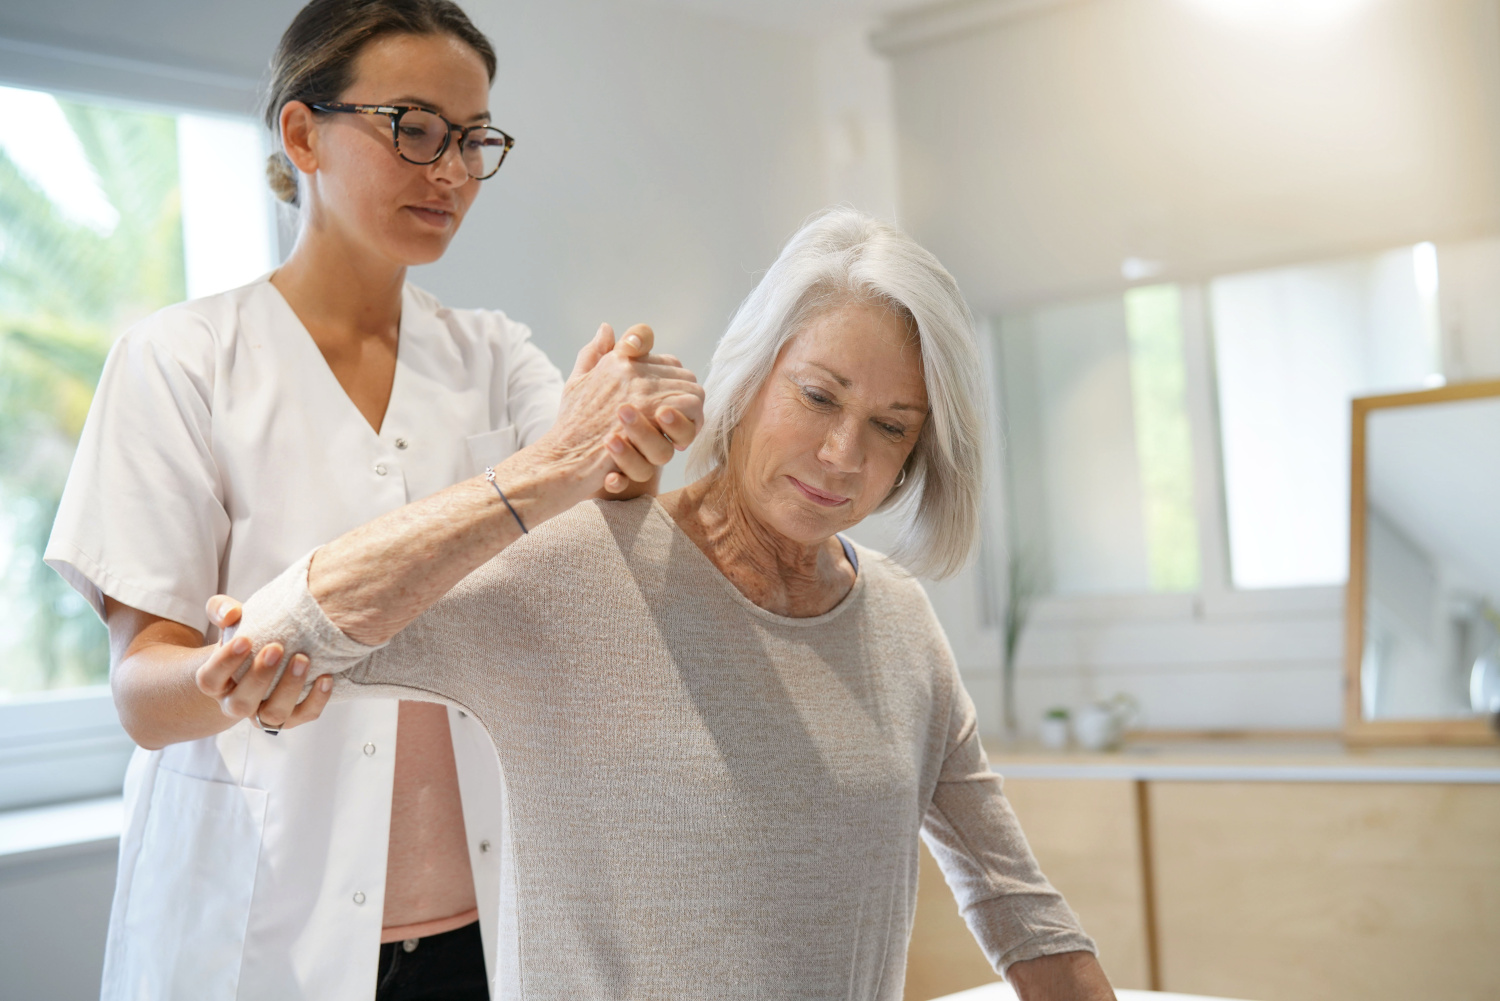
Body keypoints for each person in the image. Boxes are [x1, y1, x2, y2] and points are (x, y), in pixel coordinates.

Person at [232, 209, 1119, 1000]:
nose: (844, 453)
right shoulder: (577, 565)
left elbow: (1021, 912)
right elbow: (276, 633)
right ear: (748, 374)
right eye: (818, 396)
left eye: (892, 426)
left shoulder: (898, 621)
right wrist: (551, 468)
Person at [44, 1, 703, 998]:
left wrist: (638, 428)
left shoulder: (493, 353)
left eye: (474, 140)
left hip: (484, 924)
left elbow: (595, 485)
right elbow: (144, 692)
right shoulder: (181, 362)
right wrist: (227, 679)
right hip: (261, 933)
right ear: (303, 132)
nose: (450, 172)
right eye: (415, 128)